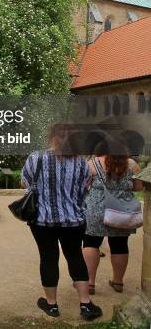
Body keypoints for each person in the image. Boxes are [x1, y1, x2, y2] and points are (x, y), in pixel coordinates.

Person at [21, 123, 102, 321]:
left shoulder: (36, 158)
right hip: (73, 220)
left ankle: (52, 305)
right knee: (75, 257)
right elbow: (85, 190)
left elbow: (24, 183)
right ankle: (85, 305)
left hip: (42, 221)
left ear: (51, 137)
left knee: (48, 258)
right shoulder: (82, 162)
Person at [82, 145, 143, 294]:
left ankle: (90, 283)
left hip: (97, 209)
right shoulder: (132, 165)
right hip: (122, 211)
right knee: (120, 244)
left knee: (91, 242)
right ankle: (118, 282)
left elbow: (83, 185)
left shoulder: (92, 164)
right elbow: (139, 187)